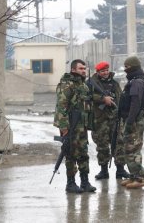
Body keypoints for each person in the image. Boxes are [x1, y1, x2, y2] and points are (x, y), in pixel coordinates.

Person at [53, 59, 96, 193]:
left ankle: (85, 182)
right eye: (81, 68)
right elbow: (61, 107)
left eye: (85, 68)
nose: (84, 70)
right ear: (73, 70)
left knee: (83, 153)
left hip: (81, 126)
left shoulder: (83, 86)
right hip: (70, 126)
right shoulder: (66, 85)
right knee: (70, 154)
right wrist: (64, 127)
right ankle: (70, 183)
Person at [88, 61, 130, 180]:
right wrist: (102, 99)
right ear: (98, 72)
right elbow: (88, 96)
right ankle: (103, 171)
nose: (105, 73)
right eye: (102, 71)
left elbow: (120, 97)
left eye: (106, 70)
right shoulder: (91, 84)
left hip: (114, 118)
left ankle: (120, 170)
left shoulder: (114, 84)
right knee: (102, 146)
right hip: (99, 119)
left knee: (119, 144)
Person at [119, 56, 144, 189]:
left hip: (134, 119)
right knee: (129, 147)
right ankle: (134, 175)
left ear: (132, 67)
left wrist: (130, 121)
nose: (125, 69)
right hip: (132, 118)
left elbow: (135, 103)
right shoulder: (135, 80)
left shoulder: (136, 82)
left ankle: (140, 177)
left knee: (133, 148)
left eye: (127, 67)